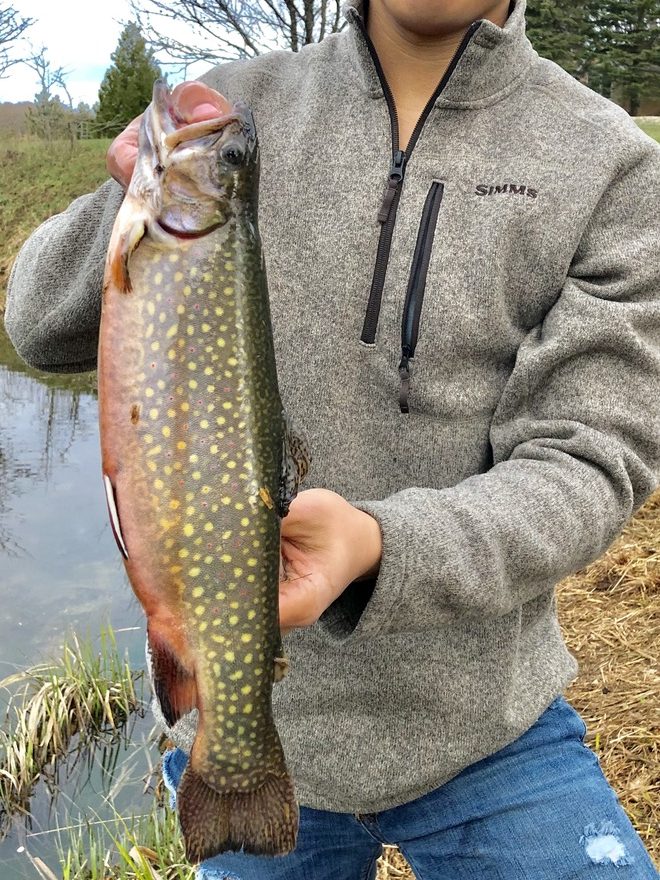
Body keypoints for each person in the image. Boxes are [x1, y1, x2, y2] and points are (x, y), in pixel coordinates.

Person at [5, 0, 660, 876]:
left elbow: (585, 464)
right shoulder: (231, 109)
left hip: (492, 726)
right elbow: (40, 325)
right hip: (244, 724)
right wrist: (131, 199)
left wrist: (382, 547)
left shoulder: (615, 168)